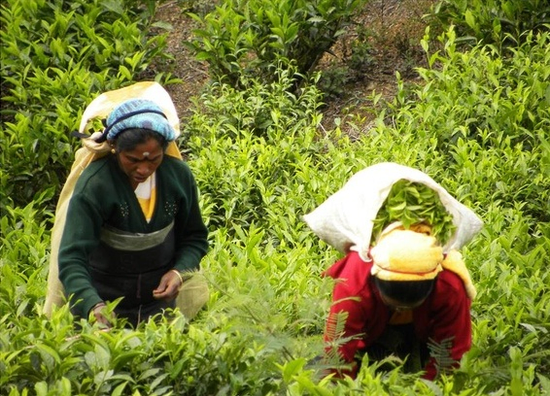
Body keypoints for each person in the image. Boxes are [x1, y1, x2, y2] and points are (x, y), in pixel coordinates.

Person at [56, 98, 209, 327]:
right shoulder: (96, 186)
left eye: (154, 159)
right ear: (115, 148)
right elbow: (72, 258)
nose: (143, 169)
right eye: (132, 160)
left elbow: (194, 238)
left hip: (159, 308)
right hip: (103, 307)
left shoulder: (178, 177)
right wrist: (92, 304)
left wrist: (178, 272)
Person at [323, 223, 476, 380]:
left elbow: (452, 350)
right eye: (394, 305)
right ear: (375, 283)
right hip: (372, 327)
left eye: (410, 306)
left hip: (425, 329)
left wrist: (429, 387)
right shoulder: (355, 283)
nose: (401, 310)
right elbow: (338, 348)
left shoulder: (450, 285)